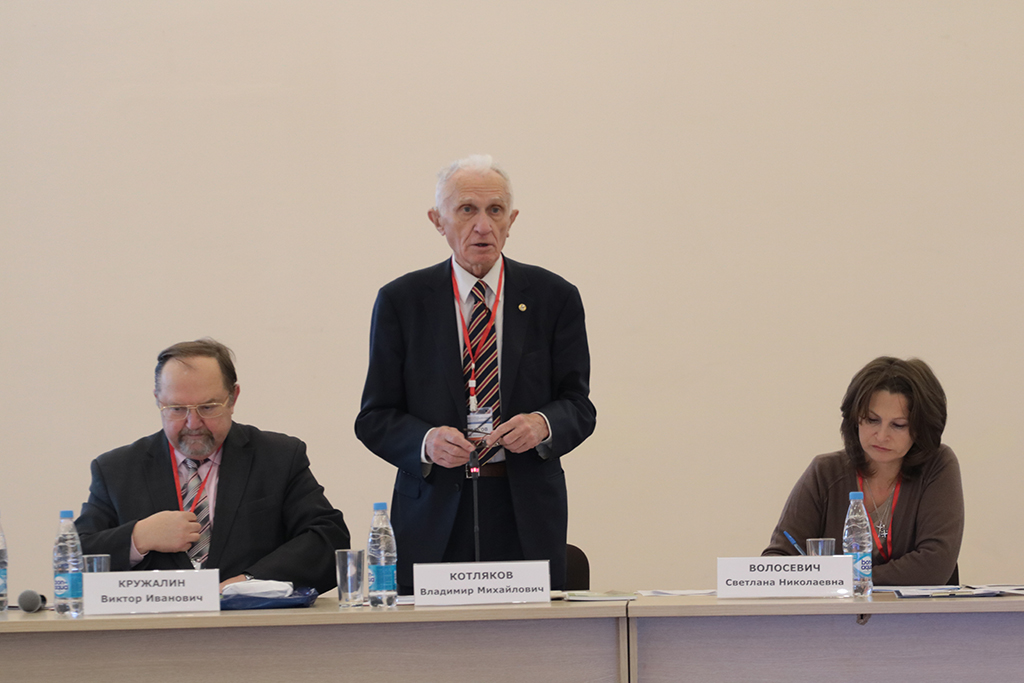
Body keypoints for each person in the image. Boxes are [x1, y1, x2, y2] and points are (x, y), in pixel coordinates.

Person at [355, 154, 596, 593]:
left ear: (511, 220)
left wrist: (542, 424)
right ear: (438, 220)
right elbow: (375, 417)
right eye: (467, 209)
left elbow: (578, 406)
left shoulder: (554, 297)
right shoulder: (402, 301)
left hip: (524, 506)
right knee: (432, 637)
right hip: (433, 509)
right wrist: (426, 441)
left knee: (532, 634)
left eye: (495, 210)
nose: (483, 226)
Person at [75, 339, 350, 593]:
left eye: (208, 407)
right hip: (155, 627)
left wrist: (249, 583)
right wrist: (138, 537)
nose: (193, 423)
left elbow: (328, 540)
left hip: (254, 624)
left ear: (233, 398)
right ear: (158, 400)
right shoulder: (117, 470)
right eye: (177, 409)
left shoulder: (279, 457)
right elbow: (73, 558)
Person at [763, 356, 964, 585]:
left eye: (898, 425)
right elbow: (775, 561)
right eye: (871, 420)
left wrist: (840, 579)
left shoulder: (938, 465)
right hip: (836, 609)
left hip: (914, 610)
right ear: (854, 419)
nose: (882, 436)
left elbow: (934, 565)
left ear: (921, 428)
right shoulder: (825, 472)